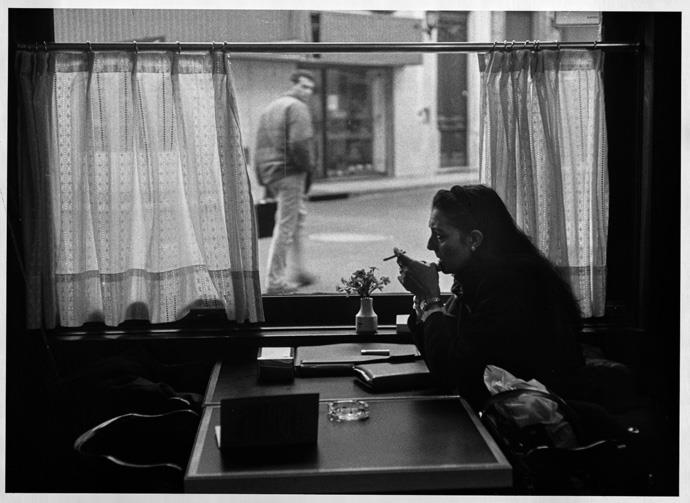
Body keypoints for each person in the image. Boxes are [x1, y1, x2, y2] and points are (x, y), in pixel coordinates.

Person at [394, 184, 585, 409]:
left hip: (535, 415)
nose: (429, 245)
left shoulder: (512, 285)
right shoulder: (473, 280)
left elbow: (452, 372)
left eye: (440, 235)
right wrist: (423, 299)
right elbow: (441, 356)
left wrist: (430, 298)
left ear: (474, 239)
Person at [255, 70, 318, 294]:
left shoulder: (271, 107)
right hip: (290, 172)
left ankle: (299, 270)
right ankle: (275, 281)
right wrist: (308, 167)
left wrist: (262, 178)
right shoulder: (297, 107)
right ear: (293, 85)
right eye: (303, 86)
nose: (307, 92)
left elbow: (259, 144)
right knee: (286, 226)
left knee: (295, 220)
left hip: (271, 173)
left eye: (310, 88)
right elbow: (300, 143)